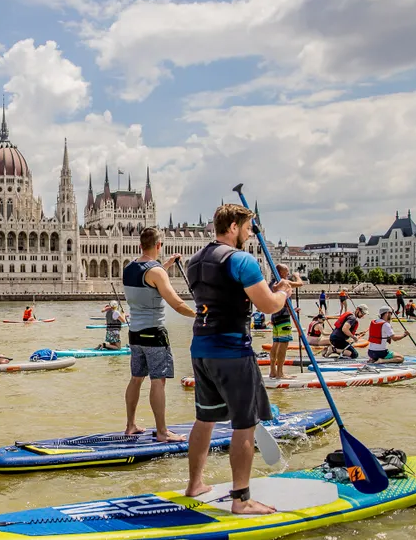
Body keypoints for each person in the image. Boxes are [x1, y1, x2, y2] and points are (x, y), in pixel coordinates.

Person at [185, 203, 295, 515]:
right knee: (245, 425)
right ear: (233, 226)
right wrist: (283, 291)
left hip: (201, 348)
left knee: (205, 419)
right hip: (232, 350)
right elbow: (269, 306)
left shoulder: (195, 261)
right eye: (247, 227)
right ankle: (242, 499)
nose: (249, 233)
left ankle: (195, 484)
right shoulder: (241, 260)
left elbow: (223, 295)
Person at [123, 226, 197, 443]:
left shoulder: (129, 268)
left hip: (135, 334)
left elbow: (147, 279)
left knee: (136, 379)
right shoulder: (156, 273)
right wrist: (200, 315)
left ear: (139, 245)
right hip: (154, 333)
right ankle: (163, 432)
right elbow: (177, 304)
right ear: (159, 246)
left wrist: (167, 265)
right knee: (158, 381)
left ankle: (130, 425)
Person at [268, 263, 305, 379]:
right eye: (287, 271)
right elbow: (300, 284)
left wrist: (292, 310)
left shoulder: (271, 283)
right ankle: (280, 373)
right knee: (284, 343)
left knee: (276, 343)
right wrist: (297, 275)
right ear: (280, 273)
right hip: (283, 317)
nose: (288, 273)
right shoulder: (283, 282)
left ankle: (273, 371)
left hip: (275, 315)